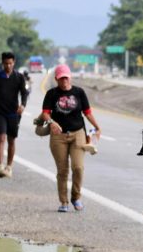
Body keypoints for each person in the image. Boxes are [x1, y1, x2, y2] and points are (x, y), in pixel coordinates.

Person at [39, 64, 101, 212]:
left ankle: (76, 197)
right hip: (58, 136)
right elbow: (45, 113)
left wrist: (97, 127)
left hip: (77, 133)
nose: (64, 81)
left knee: (78, 167)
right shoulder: (52, 94)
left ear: (70, 77)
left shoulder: (79, 92)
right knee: (62, 170)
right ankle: (64, 201)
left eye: (66, 78)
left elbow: (87, 112)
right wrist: (51, 122)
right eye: (61, 78)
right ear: (56, 79)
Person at [0, 52, 28, 178]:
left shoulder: (19, 77)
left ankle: (9, 166)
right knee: (1, 138)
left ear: (13, 63)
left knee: (11, 140)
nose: (8, 66)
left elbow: (24, 93)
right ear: (2, 63)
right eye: (6, 63)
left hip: (13, 113)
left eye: (10, 63)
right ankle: (0, 166)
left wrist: (23, 105)